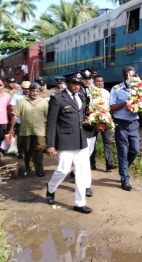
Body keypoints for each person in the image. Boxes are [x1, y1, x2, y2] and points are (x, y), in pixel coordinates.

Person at [45, 71, 93, 214]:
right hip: (65, 141)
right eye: (74, 83)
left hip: (81, 140)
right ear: (67, 83)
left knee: (81, 171)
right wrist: (50, 144)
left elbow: (82, 117)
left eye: (78, 83)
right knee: (63, 170)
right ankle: (51, 188)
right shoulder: (58, 98)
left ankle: (79, 203)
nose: (76, 86)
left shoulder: (82, 97)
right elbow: (51, 124)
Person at [109, 66, 140, 191]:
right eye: (128, 76)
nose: (130, 78)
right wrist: (124, 103)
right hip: (120, 124)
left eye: (133, 76)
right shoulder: (116, 89)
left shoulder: (138, 89)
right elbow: (110, 107)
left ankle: (124, 167)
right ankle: (125, 180)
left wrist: (141, 106)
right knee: (122, 152)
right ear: (123, 76)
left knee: (135, 150)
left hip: (133, 123)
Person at [9, 82, 48, 177]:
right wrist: (11, 128)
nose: (34, 93)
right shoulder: (22, 101)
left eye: (36, 91)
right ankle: (28, 164)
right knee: (27, 149)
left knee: (39, 149)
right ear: (29, 91)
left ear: (39, 92)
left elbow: (48, 116)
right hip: (25, 130)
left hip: (39, 130)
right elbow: (15, 115)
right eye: (32, 90)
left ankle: (39, 169)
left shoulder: (44, 102)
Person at [69, 68, 97, 197]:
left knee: (89, 152)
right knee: (84, 159)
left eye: (89, 78)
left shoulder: (94, 90)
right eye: (85, 79)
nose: (87, 81)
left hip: (91, 128)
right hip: (80, 128)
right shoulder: (75, 93)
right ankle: (86, 185)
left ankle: (75, 172)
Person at [91, 74, 115, 171]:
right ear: (94, 82)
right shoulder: (91, 93)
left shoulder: (106, 93)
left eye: (101, 81)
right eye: (98, 81)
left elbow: (110, 105)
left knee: (107, 141)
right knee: (93, 142)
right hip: (94, 120)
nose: (100, 83)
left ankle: (109, 163)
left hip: (105, 119)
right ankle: (92, 163)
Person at [9, 81, 30, 159]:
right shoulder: (17, 96)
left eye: (28, 88)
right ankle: (20, 151)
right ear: (22, 88)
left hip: (30, 121)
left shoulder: (33, 96)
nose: (27, 90)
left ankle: (28, 152)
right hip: (19, 120)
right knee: (20, 138)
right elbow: (12, 107)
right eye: (25, 88)